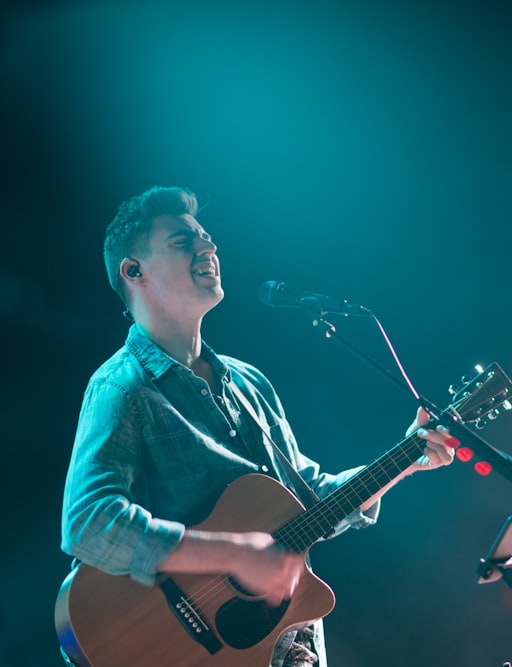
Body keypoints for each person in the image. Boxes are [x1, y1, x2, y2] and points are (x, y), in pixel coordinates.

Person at [59, 185, 458, 667]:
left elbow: (310, 500)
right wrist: (231, 554)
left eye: (207, 239)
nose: (209, 248)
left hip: (291, 647)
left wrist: (407, 457)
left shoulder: (250, 383)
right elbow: (88, 523)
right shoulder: (122, 389)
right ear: (133, 270)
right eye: (183, 242)